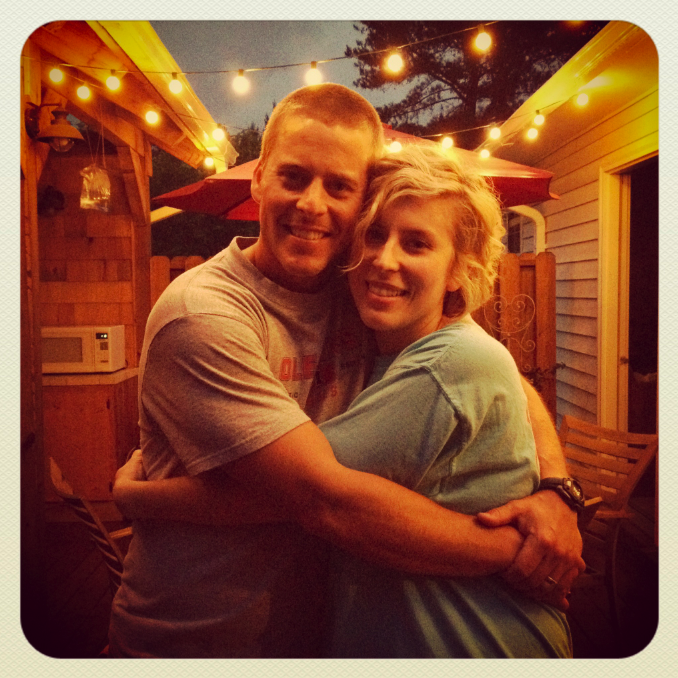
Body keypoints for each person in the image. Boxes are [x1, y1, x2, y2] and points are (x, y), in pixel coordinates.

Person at [108, 84, 584, 659]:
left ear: (361, 199)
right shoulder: (204, 313)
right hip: (196, 643)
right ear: (258, 179)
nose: (312, 204)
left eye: (339, 186)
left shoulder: (364, 291)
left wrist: (557, 489)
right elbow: (320, 498)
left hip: (323, 640)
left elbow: (488, 372)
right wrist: (514, 552)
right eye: (293, 177)